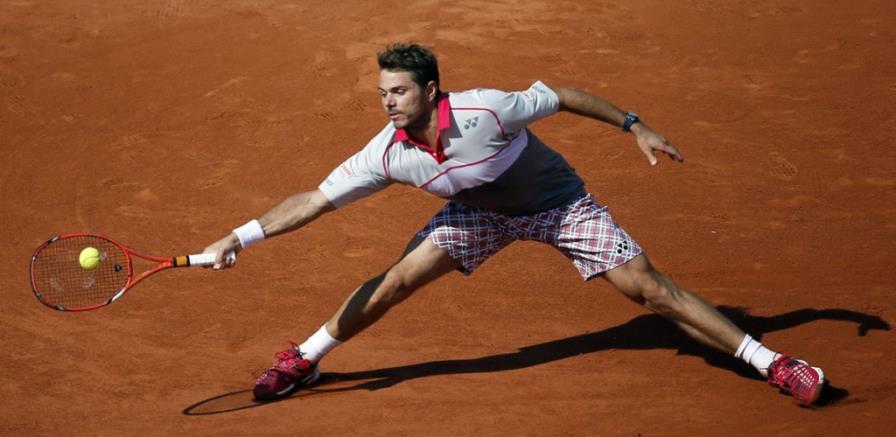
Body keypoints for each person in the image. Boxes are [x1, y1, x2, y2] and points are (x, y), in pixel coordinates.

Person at [203, 43, 825, 405]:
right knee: (396, 280)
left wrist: (635, 124)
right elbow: (313, 199)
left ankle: (771, 362)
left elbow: (563, 96)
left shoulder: (487, 109)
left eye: (398, 91)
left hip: (558, 204)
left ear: (431, 90)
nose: (388, 101)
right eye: (382, 93)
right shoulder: (386, 153)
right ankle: (306, 358)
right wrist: (238, 236)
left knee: (650, 291)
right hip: (480, 214)